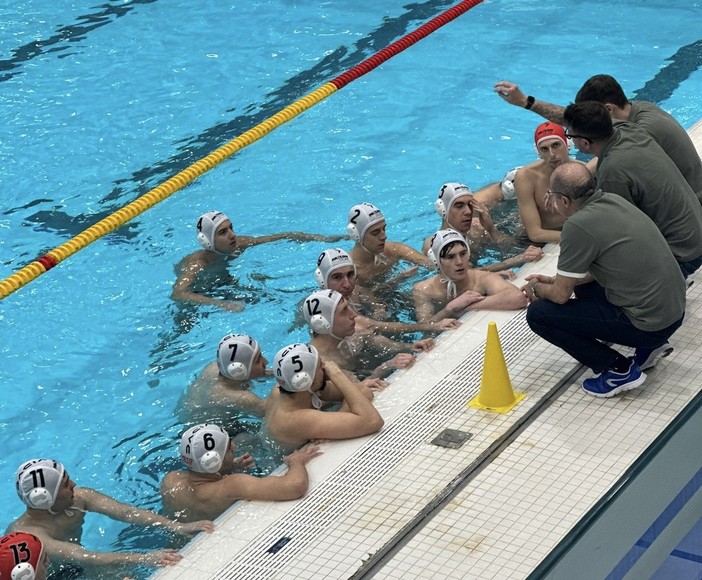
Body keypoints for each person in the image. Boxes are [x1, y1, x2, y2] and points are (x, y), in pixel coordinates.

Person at [522, 162, 685, 398]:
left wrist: (536, 287)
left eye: (552, 196)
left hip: (650, 325)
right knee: (586, 288)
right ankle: (651, 346)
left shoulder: (577, 226)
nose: (551, 201)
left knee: (538, 314)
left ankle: (617, 369)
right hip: (673, 311)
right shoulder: (613, 200)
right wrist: (555, 280)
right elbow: (609, 268)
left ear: (565, 201)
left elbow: (560, 295)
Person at [494, 76, 702, 200]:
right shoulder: (638, 108)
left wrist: (561, 186)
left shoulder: (640, 132)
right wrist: (525, 102)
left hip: (693, 209)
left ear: (607, 109)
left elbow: (597, 168)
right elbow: (573, 118)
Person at [562, 101, 702, 278]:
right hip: (697, 232)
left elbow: (625, 238)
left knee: (595, 278)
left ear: (584, 143)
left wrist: (568, 209)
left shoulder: (612, 173)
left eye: (569, 135)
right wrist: (527, 103)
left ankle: (675, 282)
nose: (570, 139)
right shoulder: (629, 130)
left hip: (682, 255)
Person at [8, 459, 214, 577]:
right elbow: (85, 557)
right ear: (44, 499)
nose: (74, 484)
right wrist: (145, 558)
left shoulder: (80, 498)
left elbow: (127, 512)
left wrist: (175, 526)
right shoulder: (30, 537)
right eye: (64, 484)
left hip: (78, 567)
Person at [172, 210, 345, 311]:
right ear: (207, 241)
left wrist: (322, 238)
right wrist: (222, 304)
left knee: (262, 296)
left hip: (223, 282)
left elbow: (282, 236)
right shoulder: (197, 264)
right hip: (199, 291)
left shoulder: (239, 244)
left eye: (231, 228)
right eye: (222, 232)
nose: (232, 234)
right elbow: (178, 294)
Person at [160, 424, 321, 522]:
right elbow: (295, 487)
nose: (235, 448)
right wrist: (296, 461)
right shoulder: (232, 485)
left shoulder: (170, 480)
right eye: (229, 448)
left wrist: (228, 465)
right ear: (213, 461)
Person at [264, 343, 384, 450]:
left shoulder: (293, 388)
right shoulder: (296, 418)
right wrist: (337, 375)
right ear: (305, 380)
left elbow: (360, 390)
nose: (326, 368)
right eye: (321, 367)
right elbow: (372, 421)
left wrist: (337, 421)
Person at [314, 247, 460, 333]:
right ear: (322, 280)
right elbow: (372, 325)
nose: (347, 284)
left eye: (350, 275)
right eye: (337, 277)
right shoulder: (322, 308)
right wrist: (430, 326)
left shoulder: (356, 290)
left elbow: (377, 304)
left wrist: (398, 280)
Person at [303, 288, 435, 380]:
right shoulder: (322, 364)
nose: (353, 314)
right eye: (344, 311)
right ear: (324, 323)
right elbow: (357, 391)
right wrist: (387, 366)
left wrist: (409, 346)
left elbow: (374, 339)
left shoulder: (346, 335)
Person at [413, 229, 528, 323]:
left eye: (463, 254)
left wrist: (466, 307)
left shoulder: (482, 278)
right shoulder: (423, 290)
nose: (459, 262)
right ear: (436, 261)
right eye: (450, 257)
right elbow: (426, 327)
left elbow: (518, 298)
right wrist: (449, 309)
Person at [421, 182, 544, 269]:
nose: (468, 211)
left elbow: (510, 250)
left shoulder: (477, 230)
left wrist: (491, 229)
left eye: (470, 205)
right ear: (443, 210)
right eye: (459, 206)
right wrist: (512, 262)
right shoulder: (433, 244)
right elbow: (461, 277)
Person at [176, 333, 269, 425]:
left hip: (186, 415)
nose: (266, 362)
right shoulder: (241, 399)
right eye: (258, 360)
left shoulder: (213, 368)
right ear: (239, 370)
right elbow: (270, 413)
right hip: (213, 428)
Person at [511, 122, 573, 243]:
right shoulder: (526, 177)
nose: (552, 154)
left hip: (569, 232)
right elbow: (535, 234)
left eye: (556, 145)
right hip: (533, 241)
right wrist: (578, 238)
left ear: (567, 144)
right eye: (544, 149)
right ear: (538, 152)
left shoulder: (584, 171)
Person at [347, 202, 433, 287]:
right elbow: (363, 298)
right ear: (357, 236)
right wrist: (399, 279)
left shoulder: (393, 250)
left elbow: (431, 264)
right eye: (375, 233)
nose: (384, 237)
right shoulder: (349, 271)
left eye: (384, 229)